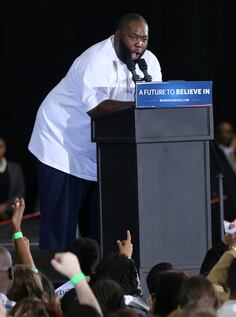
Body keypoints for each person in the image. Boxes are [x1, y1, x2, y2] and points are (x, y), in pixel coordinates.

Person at [28, 13, 162, 249]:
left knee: (99, 229)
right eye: (133, 37)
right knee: (60, 229)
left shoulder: (149, 62)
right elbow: (97, 108)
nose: (139, 43)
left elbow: (155, 101)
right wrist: (138, 103)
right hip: (61, 144)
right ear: (118, 35)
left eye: (144, 38)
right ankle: (56, 282)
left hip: (100, 151)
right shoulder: (96, 60)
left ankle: (97, 283)